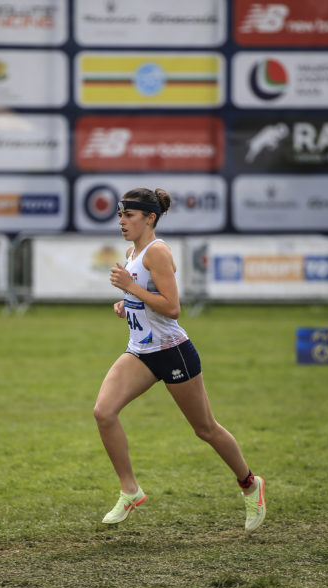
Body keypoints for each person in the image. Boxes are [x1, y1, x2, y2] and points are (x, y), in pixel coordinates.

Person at [93, 187, 266, 533]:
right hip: (140, 351)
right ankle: (130, 490)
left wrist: (131, 288)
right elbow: (148, 299)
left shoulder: (157, 251)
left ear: (150, 218)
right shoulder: (131, 252)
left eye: (129, 215)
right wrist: (128, 304)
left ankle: (250, 483)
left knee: (205, 429)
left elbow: (172, 308)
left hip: (172, 352)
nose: (122, 221)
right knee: (103, 412)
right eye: (120, 215)